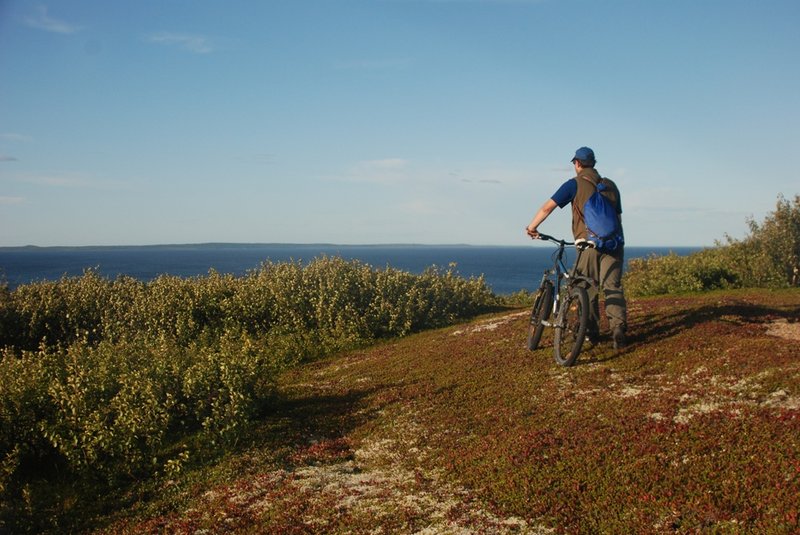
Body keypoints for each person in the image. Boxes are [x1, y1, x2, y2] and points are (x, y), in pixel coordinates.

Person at [525, 146, 627, 349]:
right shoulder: (611, 185)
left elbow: (548, 207)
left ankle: (589, 333)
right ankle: (618, 330)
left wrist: (532, 227)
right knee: (612, 287)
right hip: (614, 244)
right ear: (594, 164)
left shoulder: (574, 184)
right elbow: (618, 217)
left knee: (585, 287)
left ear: (577, 163)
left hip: (589, 245)